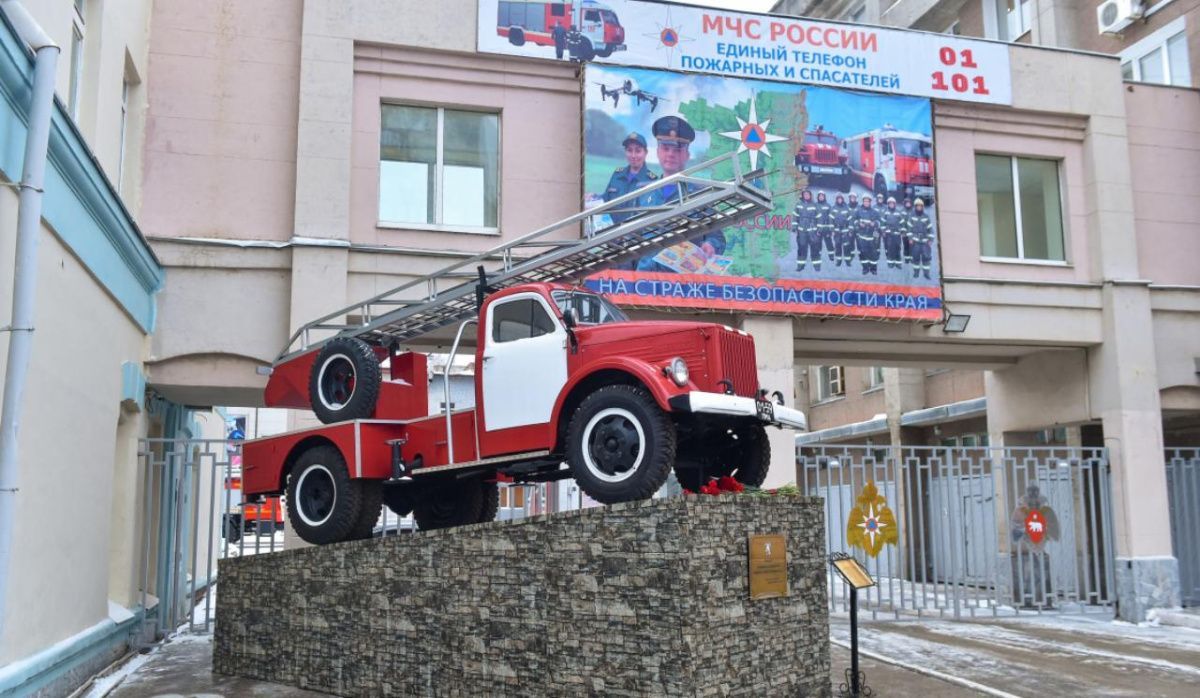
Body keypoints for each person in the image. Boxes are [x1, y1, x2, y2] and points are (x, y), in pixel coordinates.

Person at [636, 116, 725, 272]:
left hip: (685, 284)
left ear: (687, 155)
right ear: (657, 152)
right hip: (646, 280)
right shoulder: (642, 193)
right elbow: (629, 241)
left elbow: (716, 237)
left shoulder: (700, 194)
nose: (671, 154)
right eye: (665, 148)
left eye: (677, 149)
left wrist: (710, 245)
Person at [603, 132, 658, 224]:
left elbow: (651, 216)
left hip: (637, 236)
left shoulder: (652, 181)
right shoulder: (617, 175)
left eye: (638, 151)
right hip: (613, 233)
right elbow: (606, 200)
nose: (633, 155)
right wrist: (594, 197)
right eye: (629, 150)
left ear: (645, 153)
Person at [792, 189, 822, 272]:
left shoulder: (815, 205)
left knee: (815, 249)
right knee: (802, 248)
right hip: (802, 231)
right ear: (802, 195)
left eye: (808, 194)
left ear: (810, 195)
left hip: (813, 231)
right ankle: (800, 266)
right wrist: (794, 227)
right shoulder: (798, 205)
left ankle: (817, 266)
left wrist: (819, 229)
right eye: (804, 194)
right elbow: (795, 216)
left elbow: (819, 218)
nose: (806, 196)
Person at [907, 198, 934, 279]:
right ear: (915, 207)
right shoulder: (911, 216)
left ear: (922, 207)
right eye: (917, 206)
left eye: (920, 206)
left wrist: (930, 240)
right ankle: (916, 273)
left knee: (926, 258)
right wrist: (910, 238)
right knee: (915, 258)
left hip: (925, 242)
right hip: (915, 241)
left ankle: (926, 274)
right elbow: (909, 229)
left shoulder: (926, 217)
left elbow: (931, 229)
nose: (919, 207)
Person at [855, 195, 881, 276]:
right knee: (863, 253)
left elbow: (880, 223)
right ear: (863, 202)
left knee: (873, 253)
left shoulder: (875, 212)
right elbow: (854, 221)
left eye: (868, 201)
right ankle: (865, 268)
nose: (866, 203)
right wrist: (859, 224)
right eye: (865, 201)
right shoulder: (859, 211)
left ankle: (873, 269)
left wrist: (875, 224)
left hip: (873, 236)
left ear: (870, 202)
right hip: (862, 236)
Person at [879, 196, 906, 270]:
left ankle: (898, 263)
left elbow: (902, 223)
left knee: (898, 248)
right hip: (889, 234)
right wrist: (883, 231)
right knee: (890, 249)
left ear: (895, 204)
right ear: (888, 204)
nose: (891, 205)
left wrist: (903, 232)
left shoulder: (898, 213)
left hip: (897, 234)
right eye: (890, 204)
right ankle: (890, 263)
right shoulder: (885, 212)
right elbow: (882, 223)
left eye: (892, 203)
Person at [830, 193, 855, 267]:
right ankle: (839, 260)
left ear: (843, 199)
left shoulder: (846, 208)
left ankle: (847, 260)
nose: (839, 200)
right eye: (838, 199)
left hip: (845, 230)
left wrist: (850, 230)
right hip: (837, 230)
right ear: (836, 199)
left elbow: (850, 220)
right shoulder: (833, 208)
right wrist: (832, 230)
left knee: (846, 246)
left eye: (841, 198)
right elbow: (831, 220)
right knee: (838, 246)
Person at [815, 191, 834, 262]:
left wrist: (831, 229)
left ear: (824, 197)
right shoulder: (815, 205)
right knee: (818, 243)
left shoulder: (828, 205)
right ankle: (818, 255)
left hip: (826, 228)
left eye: (822, 196)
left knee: (829, 243)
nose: (821, 197)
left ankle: (831, 255)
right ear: (818, 197)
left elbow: (831, 218)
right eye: (820, 196)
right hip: (818, 229)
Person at [902, 198, 914, 266]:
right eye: (907, 203)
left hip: (912, 233)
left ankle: (912, 258)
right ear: (904, 204)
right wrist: (903, 232)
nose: (908, 204)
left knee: (912, 246)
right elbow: (901, 223)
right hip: (905, 233)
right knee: (906, 246)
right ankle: (907, 258)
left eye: (909, 203)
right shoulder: (902, 211)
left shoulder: (913, 211)